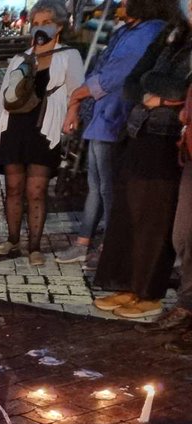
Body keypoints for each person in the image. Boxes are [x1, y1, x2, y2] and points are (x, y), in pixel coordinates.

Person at [56, 0, 173, 263]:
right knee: (96, 183)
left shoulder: (148, 32)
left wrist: (77, 96)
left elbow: (115, 74)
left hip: (116, 114)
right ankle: (85, 240)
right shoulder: (126, 31)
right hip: (102, 113)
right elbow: (100, 65)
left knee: (109, 186)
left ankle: (110, 244)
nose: (120, 4)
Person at [93, 17, 192, 318]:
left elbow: (181, 89)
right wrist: (159, 92)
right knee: (129, 213)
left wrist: (156, 88)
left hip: (169, 137)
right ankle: (128, 284)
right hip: (140, 128)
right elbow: (131, 84)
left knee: (156, 217)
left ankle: (148, 290)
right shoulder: (173, 34)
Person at [0, 0, 82, 265]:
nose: (40, 28)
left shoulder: (68, 55)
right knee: (14, 187)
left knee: (36, 189)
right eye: (36, 23)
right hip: (14, 127)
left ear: (59, 25)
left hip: (44, 129)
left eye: (46, 22)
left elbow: (77, 94)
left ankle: (34, 246)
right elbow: (4, 98)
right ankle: (13, 240)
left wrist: (72, 117)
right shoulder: (20, 57)